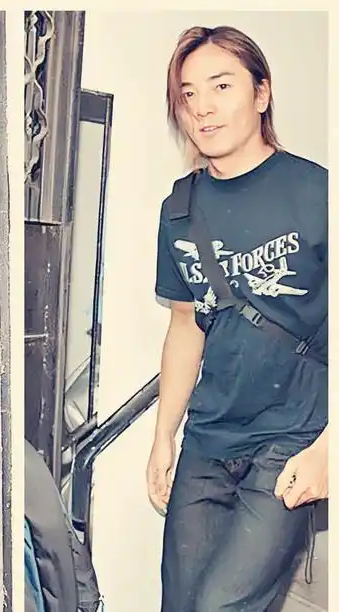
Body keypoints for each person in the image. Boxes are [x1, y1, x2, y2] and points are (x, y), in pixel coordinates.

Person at [147, 25, 328, 611]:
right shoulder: (179, 210)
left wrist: (330, 447)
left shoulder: (317, 192)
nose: (202, 107)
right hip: (208, 438)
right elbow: (185, 326)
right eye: (188, 93)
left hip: (292, 435)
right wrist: (163, 436)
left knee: (221, 605)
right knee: (181, 603)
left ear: (261, 93)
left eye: (220, 86)